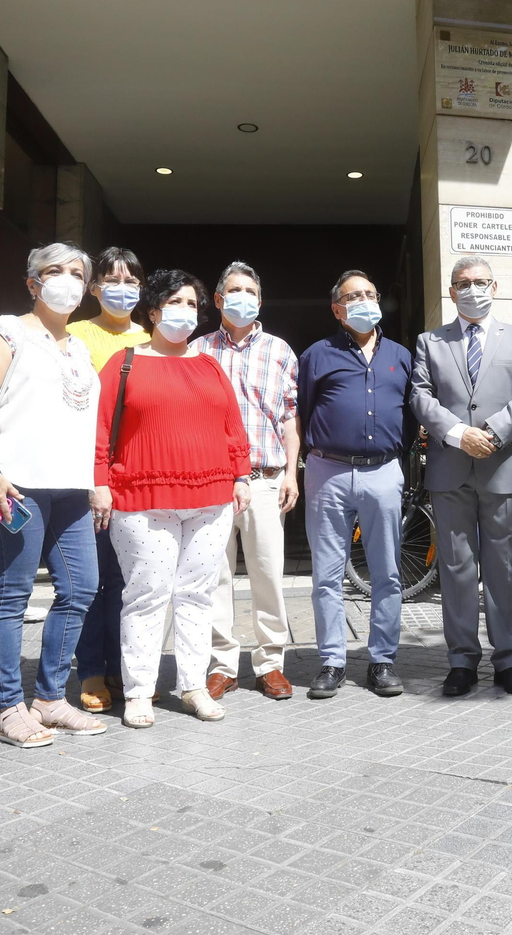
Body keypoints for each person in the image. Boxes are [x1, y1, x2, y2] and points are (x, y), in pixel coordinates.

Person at [0, 243, 106, 747]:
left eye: (75, 273)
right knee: (12, 593)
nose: (65, 280)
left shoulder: (79, 347)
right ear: (32, 283)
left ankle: (48, 699)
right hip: (15, 487)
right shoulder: (6, 332)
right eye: (53, 271)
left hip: (69, 490)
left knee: (81, 588)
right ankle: (8, 708)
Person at [93, 269, 252, 728]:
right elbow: (100, 429)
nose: (186, 312)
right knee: (146, 596)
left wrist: (241, 474)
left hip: (212, 497)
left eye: (192, 304)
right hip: (142, 497)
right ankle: (140, 690)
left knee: (197, 596)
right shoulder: (123, 363)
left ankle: (194, 686)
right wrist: (100, 481)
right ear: (155, 311)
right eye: (176, 302)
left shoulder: (208, 365)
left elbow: (231, 424)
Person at [410, 256, 512, 697]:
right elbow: (421, 396)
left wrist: (492, 432)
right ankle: (462, 661)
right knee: (456, 568)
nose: (473, 289)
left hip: (501, 466)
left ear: (495, 286)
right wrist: (457, 433)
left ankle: (509, 660)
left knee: (502, 568)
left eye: (480, 282)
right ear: (451, 292)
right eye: (463, 283)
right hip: (450, 468)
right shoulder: (430, 342)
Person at [298, 270, 416, 699]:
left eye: (370, 293)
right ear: (337, 309)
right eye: (353, 296)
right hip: (327, 470)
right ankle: (332, 660)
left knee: (386, 572)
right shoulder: (317, 354)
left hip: (383, 471)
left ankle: (382, 660)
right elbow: (305, 409)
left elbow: (411, 412)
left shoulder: (402, 355)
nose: (364, 300)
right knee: (326, 575)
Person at [194, 262, 299, 702]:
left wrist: (293, 471)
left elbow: (290, 415)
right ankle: (222, 665)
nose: (243, 297)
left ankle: (271, 664)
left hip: (265, 480)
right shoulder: (196, 350)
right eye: (234, 290)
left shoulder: (280, 350)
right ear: (218, 300)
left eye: (250, 291)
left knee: (267, 576)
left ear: (260, 299)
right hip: (212, 483)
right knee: (214, 578)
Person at [66, 247, 150, 714]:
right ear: (94, 287)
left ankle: (125, 668)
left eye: (132, 279)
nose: (123, 287)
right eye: (112, 279)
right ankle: (92, 669)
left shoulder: (153, 336)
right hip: (90, 474)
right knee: (94, 579)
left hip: (137, 476)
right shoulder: (77, 334)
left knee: (130, 579)